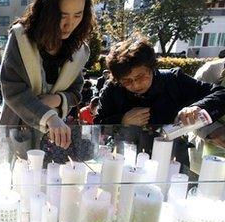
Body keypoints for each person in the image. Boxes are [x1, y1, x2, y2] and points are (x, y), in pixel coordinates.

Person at [94, 34, 225, 168]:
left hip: (172, 159)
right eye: (126, 81)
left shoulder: (174, 80)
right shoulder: (112, 89)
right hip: (126, 158)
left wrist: (198, 106)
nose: (135, 85)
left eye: (141, 76)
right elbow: (98, 124)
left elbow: (221, 93)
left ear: (151, 67)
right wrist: (122, 120)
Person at [0, 0, 94, 150]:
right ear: (47, 11)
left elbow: (75, 92)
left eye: (77, 15)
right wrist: (49, 117)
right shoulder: (22, 38)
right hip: (16, 129)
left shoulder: (79, 50)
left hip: (53, 139)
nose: (69, 24)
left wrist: (57, 99)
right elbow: (12, 89)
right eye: (63, 16)